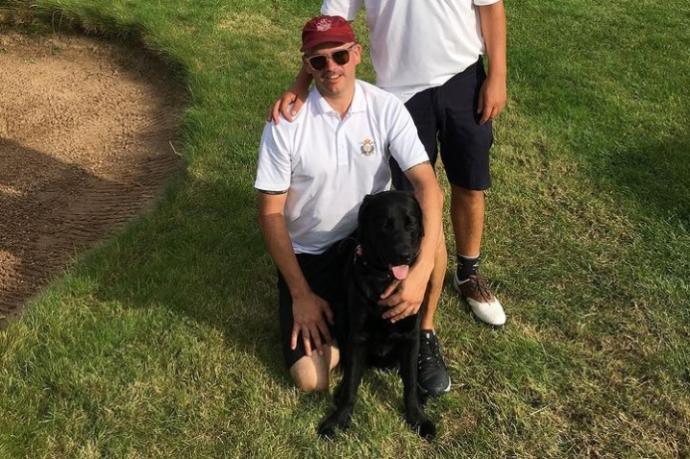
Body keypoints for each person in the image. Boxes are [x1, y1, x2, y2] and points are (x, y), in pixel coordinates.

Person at [271, 0, 508, 396]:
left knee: (468, 185)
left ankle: (462, 282)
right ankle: (404, 315)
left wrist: (496, 73)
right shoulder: (382, 108)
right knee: (409, 214)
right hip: (402, 90)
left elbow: (490, 6)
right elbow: (333, 25)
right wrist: (301, 82)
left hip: (462, 74)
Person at [256, 15, 444, 392]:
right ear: (307, 65)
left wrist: (420, 271)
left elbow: (427, 186)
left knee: (430, 233)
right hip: (311, 254)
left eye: (339, 56)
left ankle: (424, 332)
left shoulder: (385, 107)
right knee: (313, 379)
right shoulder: (286, 124)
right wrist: (301, 295)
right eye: (318, 61)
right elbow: (270, 213)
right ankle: (341, 324)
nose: (331, 68)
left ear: (356, 53)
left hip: (368, 241)